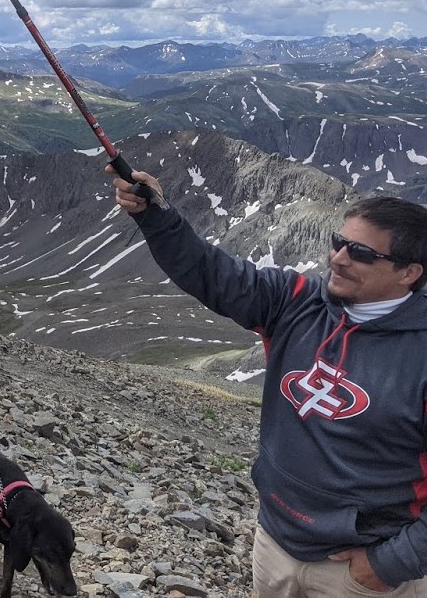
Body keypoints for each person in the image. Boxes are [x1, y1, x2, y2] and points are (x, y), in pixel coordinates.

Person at [109, 165, 427, 597]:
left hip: (363, 573)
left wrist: (388, 565)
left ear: (409, 273)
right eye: (338, 242)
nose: (337, 258)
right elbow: (211, 274)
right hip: (275, 545)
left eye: (361, 253)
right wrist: (155, 214)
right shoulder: (296, 302)